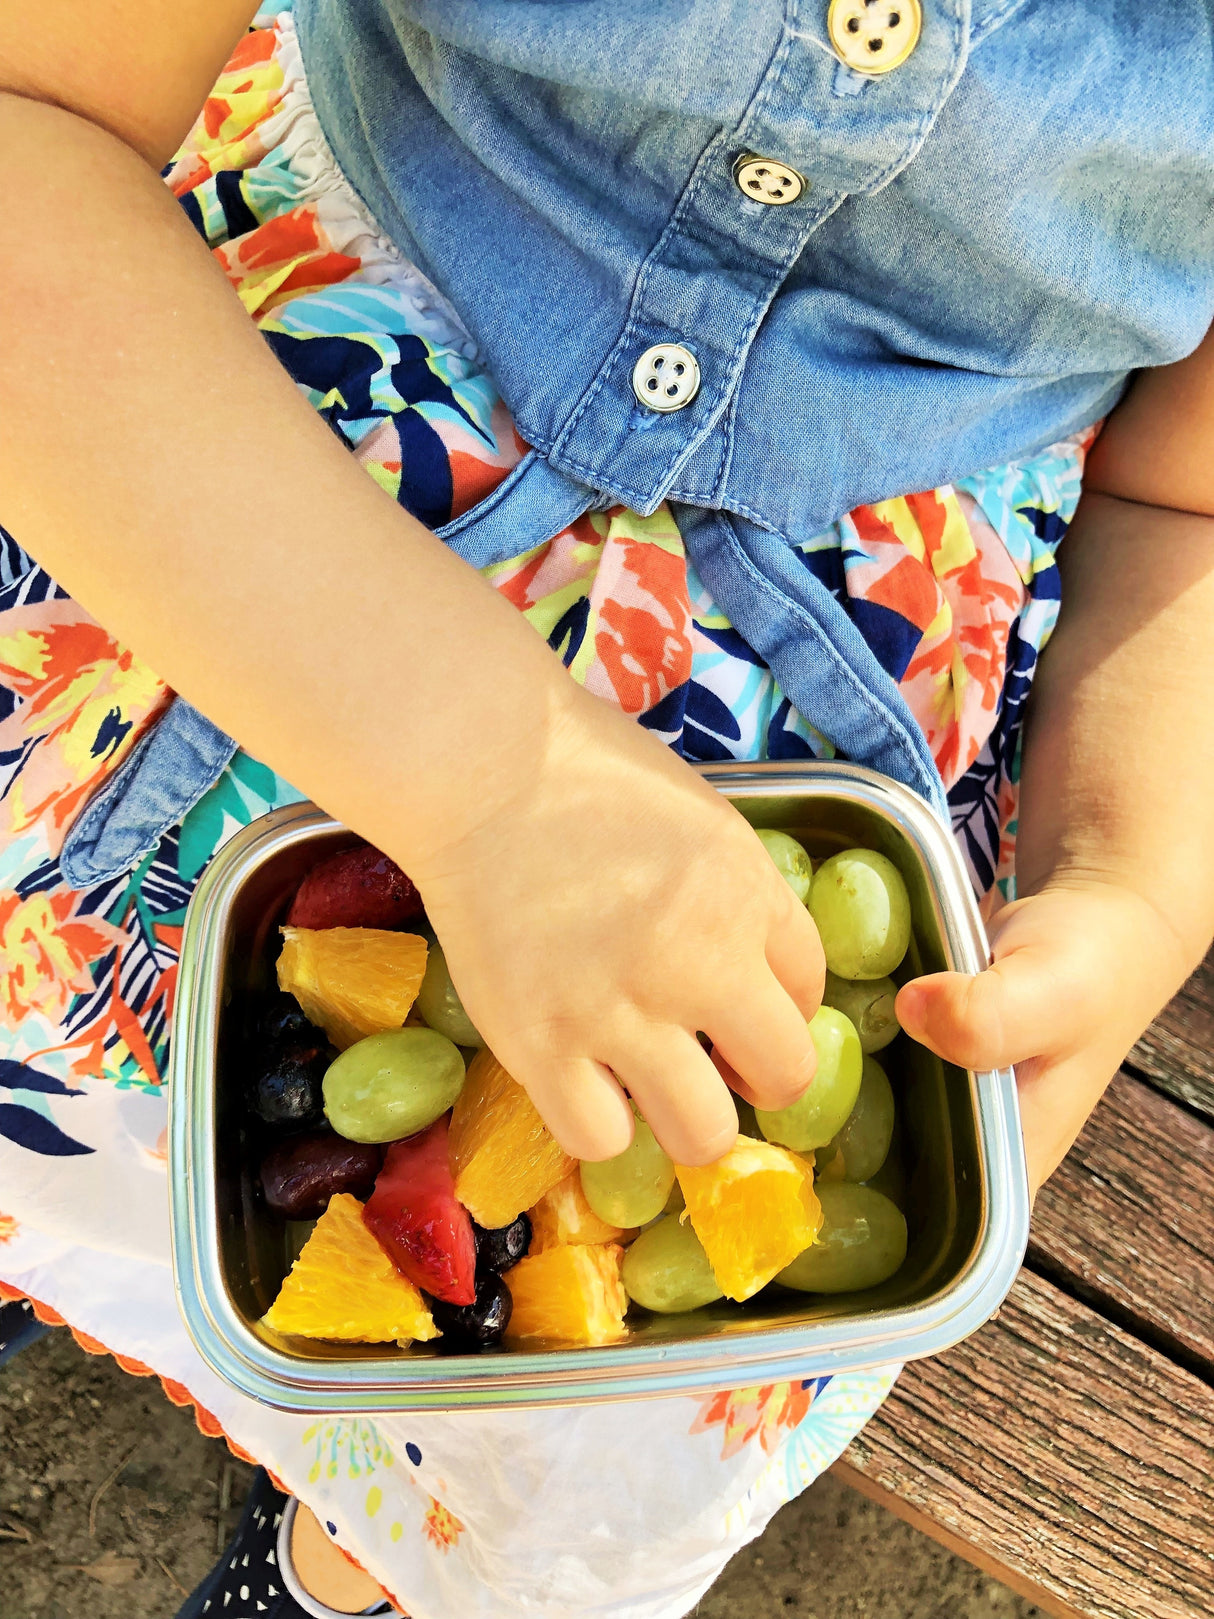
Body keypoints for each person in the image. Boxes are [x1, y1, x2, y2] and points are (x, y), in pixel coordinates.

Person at [0, 2, 1211, 1615]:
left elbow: (1183, 493)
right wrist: (496, 776)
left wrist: (1129, 875)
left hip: (835, 733)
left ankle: (360, 1537)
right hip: (197, 462)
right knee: (60, 1098)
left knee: (521, 1353)